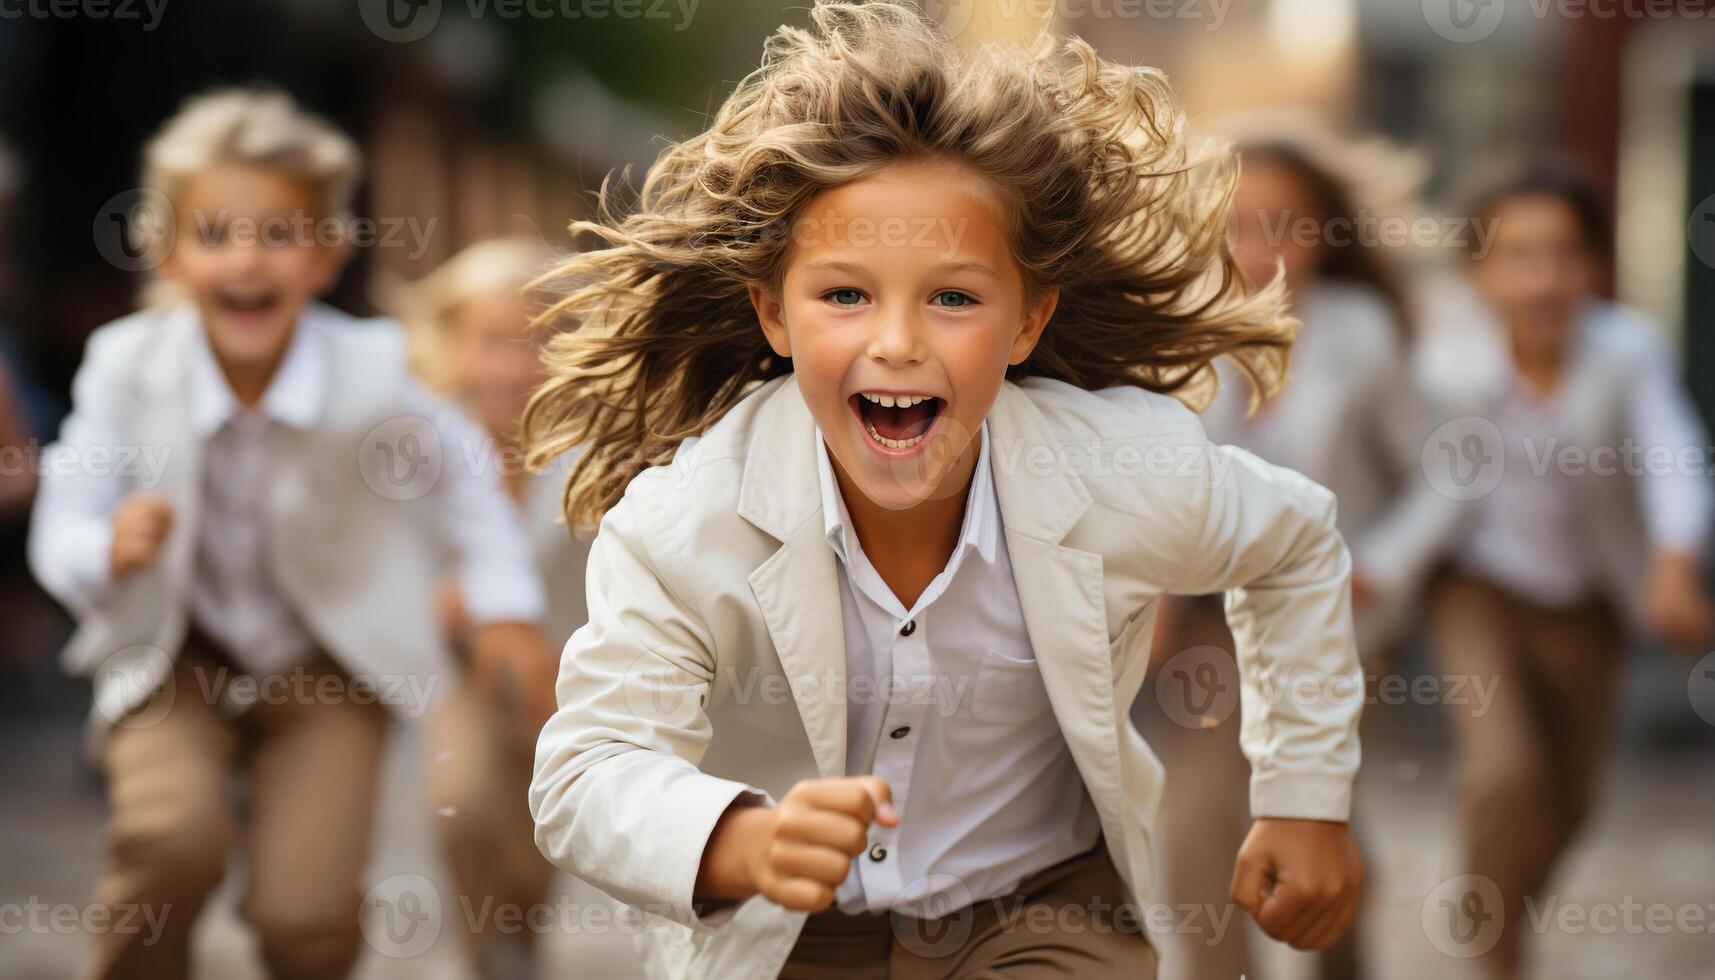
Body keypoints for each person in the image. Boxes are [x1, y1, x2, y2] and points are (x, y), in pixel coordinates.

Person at [523, 4, 1366, 978]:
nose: (897, 341)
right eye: (844, 294)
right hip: (790, 927)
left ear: (1026, 321)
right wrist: (738, 837)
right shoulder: (682, 525)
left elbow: (1295, 544)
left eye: (953, 296)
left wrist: (1304, 794)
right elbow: (586, 771)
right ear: (772, 312)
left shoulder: (1117, 469)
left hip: (1041, 908)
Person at [27, 89, 555, 980]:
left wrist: (504, 604)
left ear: (323, 258)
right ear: (166, 255)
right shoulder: (128, 366)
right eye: (215, 234)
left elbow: (462, 473)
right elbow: (62, 520)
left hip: (324, 664)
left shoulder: (369, 369)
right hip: (174, 656)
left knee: (303, 914)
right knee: (170, 842)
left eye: (279, 236)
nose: (248, 261)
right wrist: (103, 550)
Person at [1133, 120, 1458, 980]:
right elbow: (1153, 485)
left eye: (1287, 222)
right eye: (1239, 221)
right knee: (1199, 819)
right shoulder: (1172, 330)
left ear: (1324, 233)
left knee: (1317, 811)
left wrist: (1375, 568)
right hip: (1208, 626)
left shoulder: (1362, 334)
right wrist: (1149, 592)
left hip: (1332, 624)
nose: (1261, 246)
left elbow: (1444, 477)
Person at [1417, 161, 1714, 980]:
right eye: (1517, 255)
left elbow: (1672, 455)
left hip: (1589, 604)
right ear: (1479, 272)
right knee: (1503, 776)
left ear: (1593, 266)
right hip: (1476, 592)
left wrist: (1674, 563)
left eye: (1562, 254)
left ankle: (1492, 910)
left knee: (1567, 805)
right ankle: (1493, 955)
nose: (1542, 279)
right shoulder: (1444, 363)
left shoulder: (1627, 351)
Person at [386, 238, 636, 979]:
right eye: (492, 342)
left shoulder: (599, 443)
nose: (514, 367)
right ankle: (489, 951)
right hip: (453, 669)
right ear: (451, 343)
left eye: (539, 342)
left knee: (543, 824)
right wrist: (439, 603)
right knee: (461, 799)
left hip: (568, 671)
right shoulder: (415, 442)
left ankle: (518, 938)